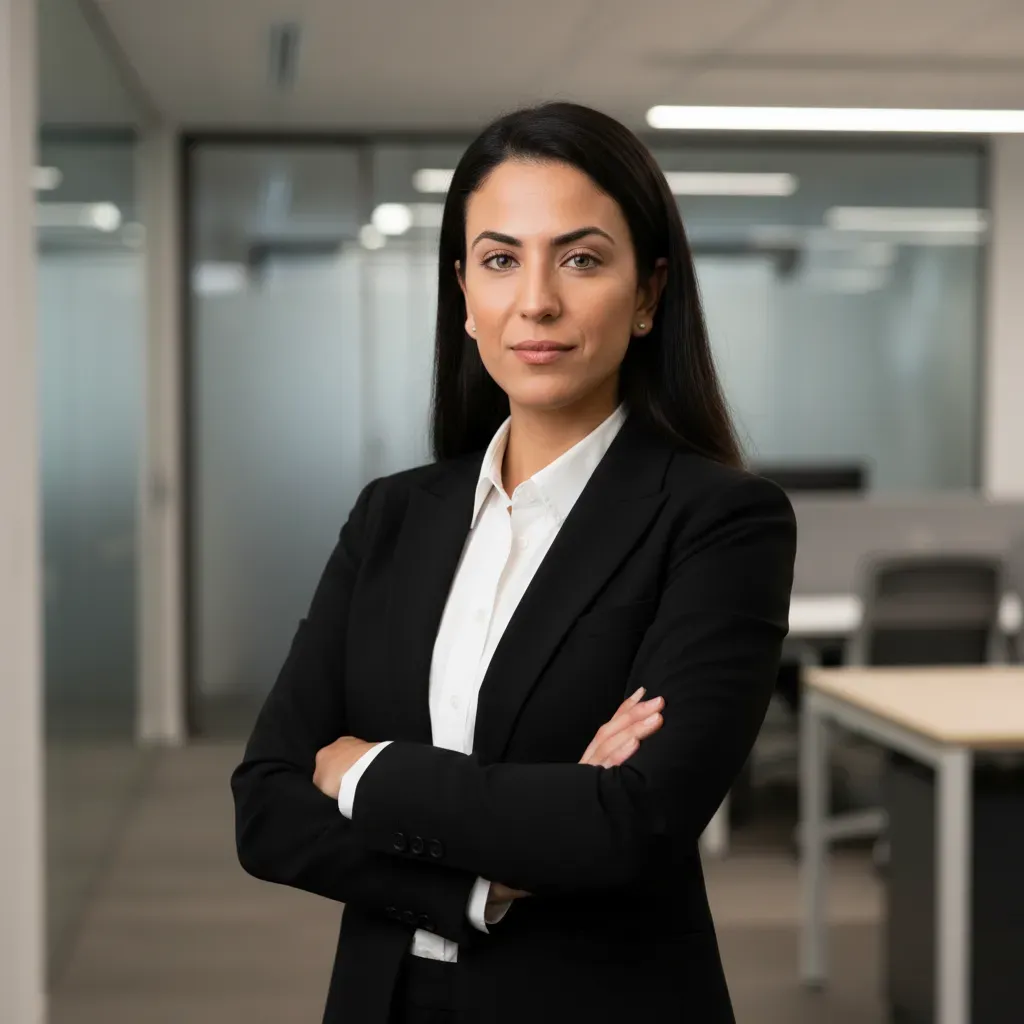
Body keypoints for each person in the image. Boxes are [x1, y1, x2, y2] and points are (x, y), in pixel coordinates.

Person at [231, 101, 797, 1024]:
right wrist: (483, 882)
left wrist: (365, 771)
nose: (536, 300)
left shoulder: (720, 522)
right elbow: (266, 808)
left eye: (580, 258)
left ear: (649, 294)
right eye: (500, 260)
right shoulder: (394, 516)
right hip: (386, 1000)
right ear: (464, 295)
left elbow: (630, 827)